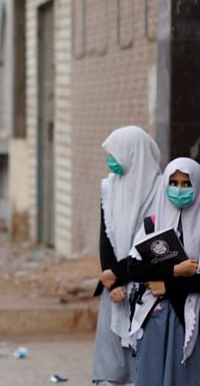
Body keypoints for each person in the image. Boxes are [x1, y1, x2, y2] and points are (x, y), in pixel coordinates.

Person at [90, 126, 162, 386]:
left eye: (114, 154)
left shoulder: (161, 191)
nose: (111, 161)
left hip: (148, 285)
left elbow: (156, 244)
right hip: (115, 288)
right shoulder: (110, 188)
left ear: (133, 154)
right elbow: (105, 239)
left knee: (144, 358)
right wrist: (115, 281)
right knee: (110, 365)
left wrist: (121, 273)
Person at [127, 157, 200, 385]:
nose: (179, 190)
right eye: (174, 183)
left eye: (186, 184)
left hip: (192, 317)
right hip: (156, 316)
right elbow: (133, 267)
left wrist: (167, 284)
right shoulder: (152, 225)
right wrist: (176, 270)